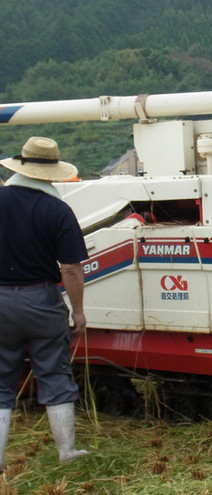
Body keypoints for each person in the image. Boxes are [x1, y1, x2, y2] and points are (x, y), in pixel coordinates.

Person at [0, 136, 89, 470]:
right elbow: (69, 268)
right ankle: (67, 452)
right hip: (41, 301)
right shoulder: (58, 209)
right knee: (54, 374)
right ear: (52, 170)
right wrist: (78, 311)